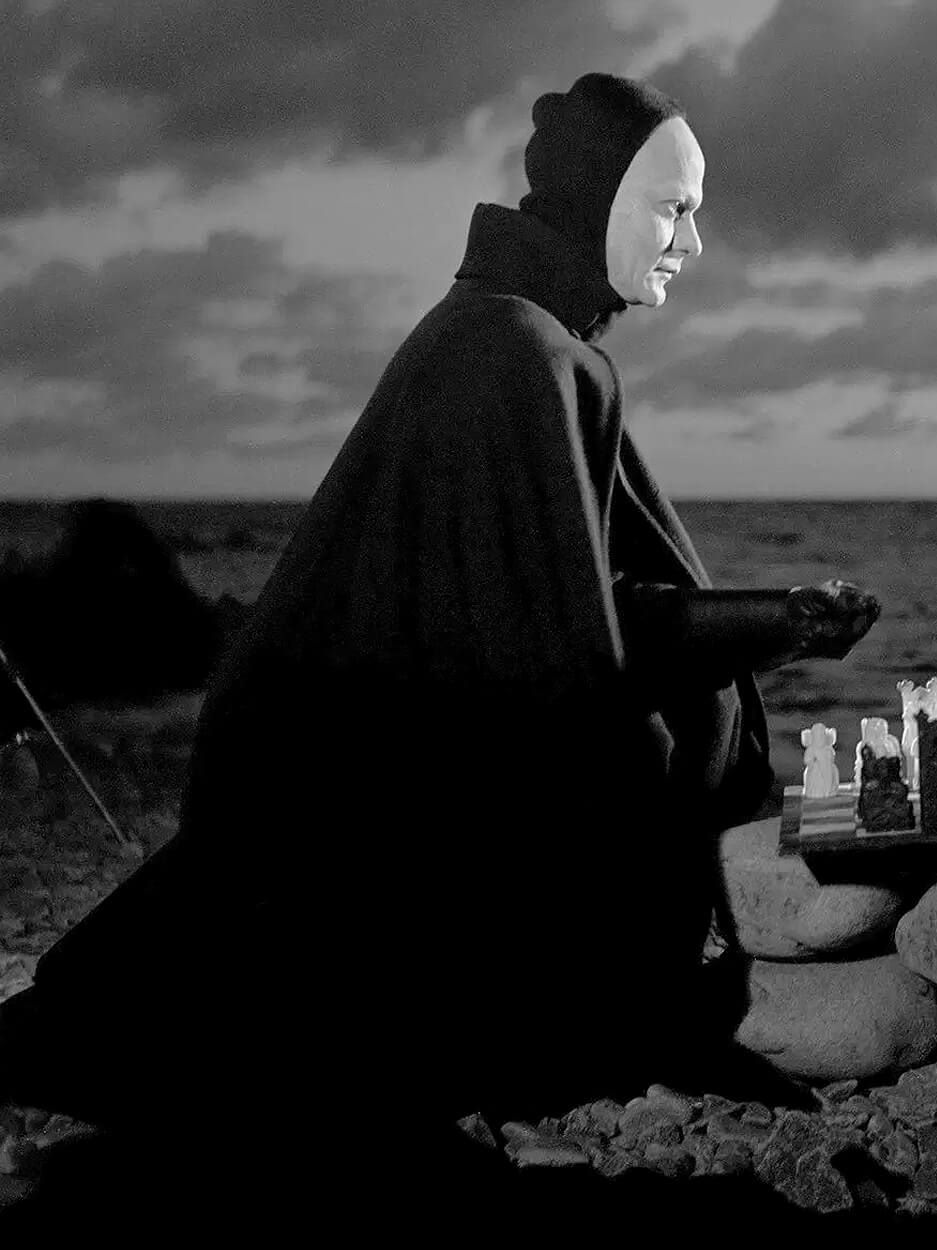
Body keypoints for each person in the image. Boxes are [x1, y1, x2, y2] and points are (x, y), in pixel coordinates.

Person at [0, 73, 878, 1224]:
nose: (693, 243)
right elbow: (551, 660)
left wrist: (773, 620)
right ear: (596, 200)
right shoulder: (515, 353)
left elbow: (556, 604)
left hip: (349, 776)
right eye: (674, 210)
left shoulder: (509, 333)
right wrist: (758, 634)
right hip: (361, 815)